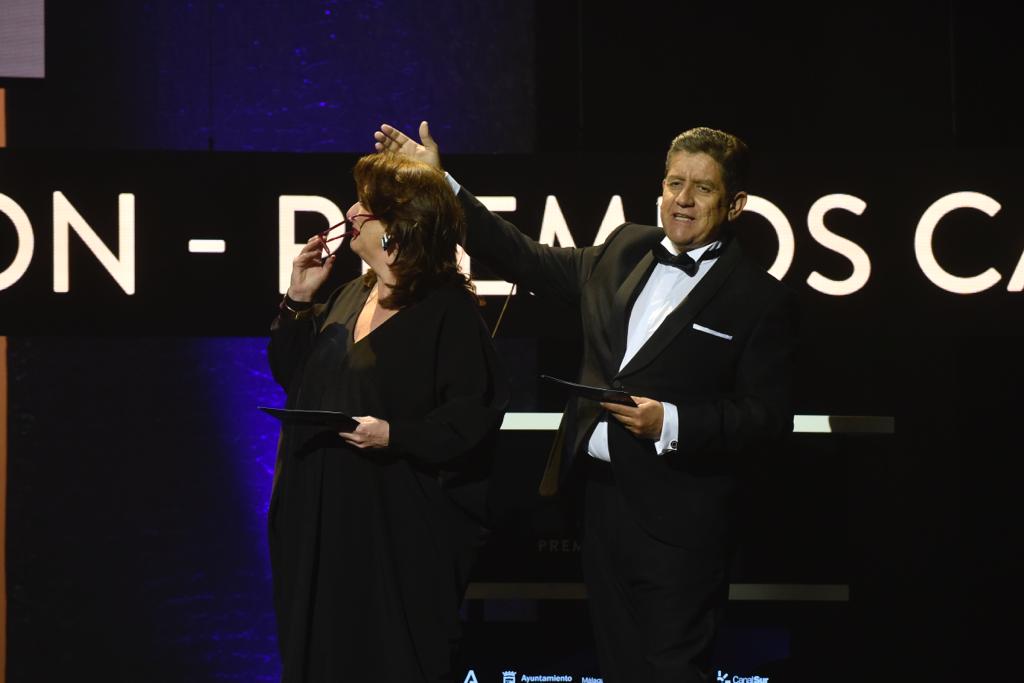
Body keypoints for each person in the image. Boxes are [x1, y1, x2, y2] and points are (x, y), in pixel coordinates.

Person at [375, 122, 797, 682]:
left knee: (673, 671)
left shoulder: (759, 299)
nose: (684, 200)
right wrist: (442, 184)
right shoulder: (624, 250)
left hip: (682, 521)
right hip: (598, 507)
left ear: (736, 203)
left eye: (704, 188)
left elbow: (768, 418)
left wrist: (670, 421)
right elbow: (521, 256)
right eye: (675, 183)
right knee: (617, 667)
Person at [266, 152, 509, 683]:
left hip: (391, 533)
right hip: (321, 521)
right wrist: (299, 301)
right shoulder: (351, 294)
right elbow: (297, 377)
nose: (352, 211)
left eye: (367, 206)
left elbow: (472, 420)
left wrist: (395, 435)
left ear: (399, 228)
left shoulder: (449, 313)